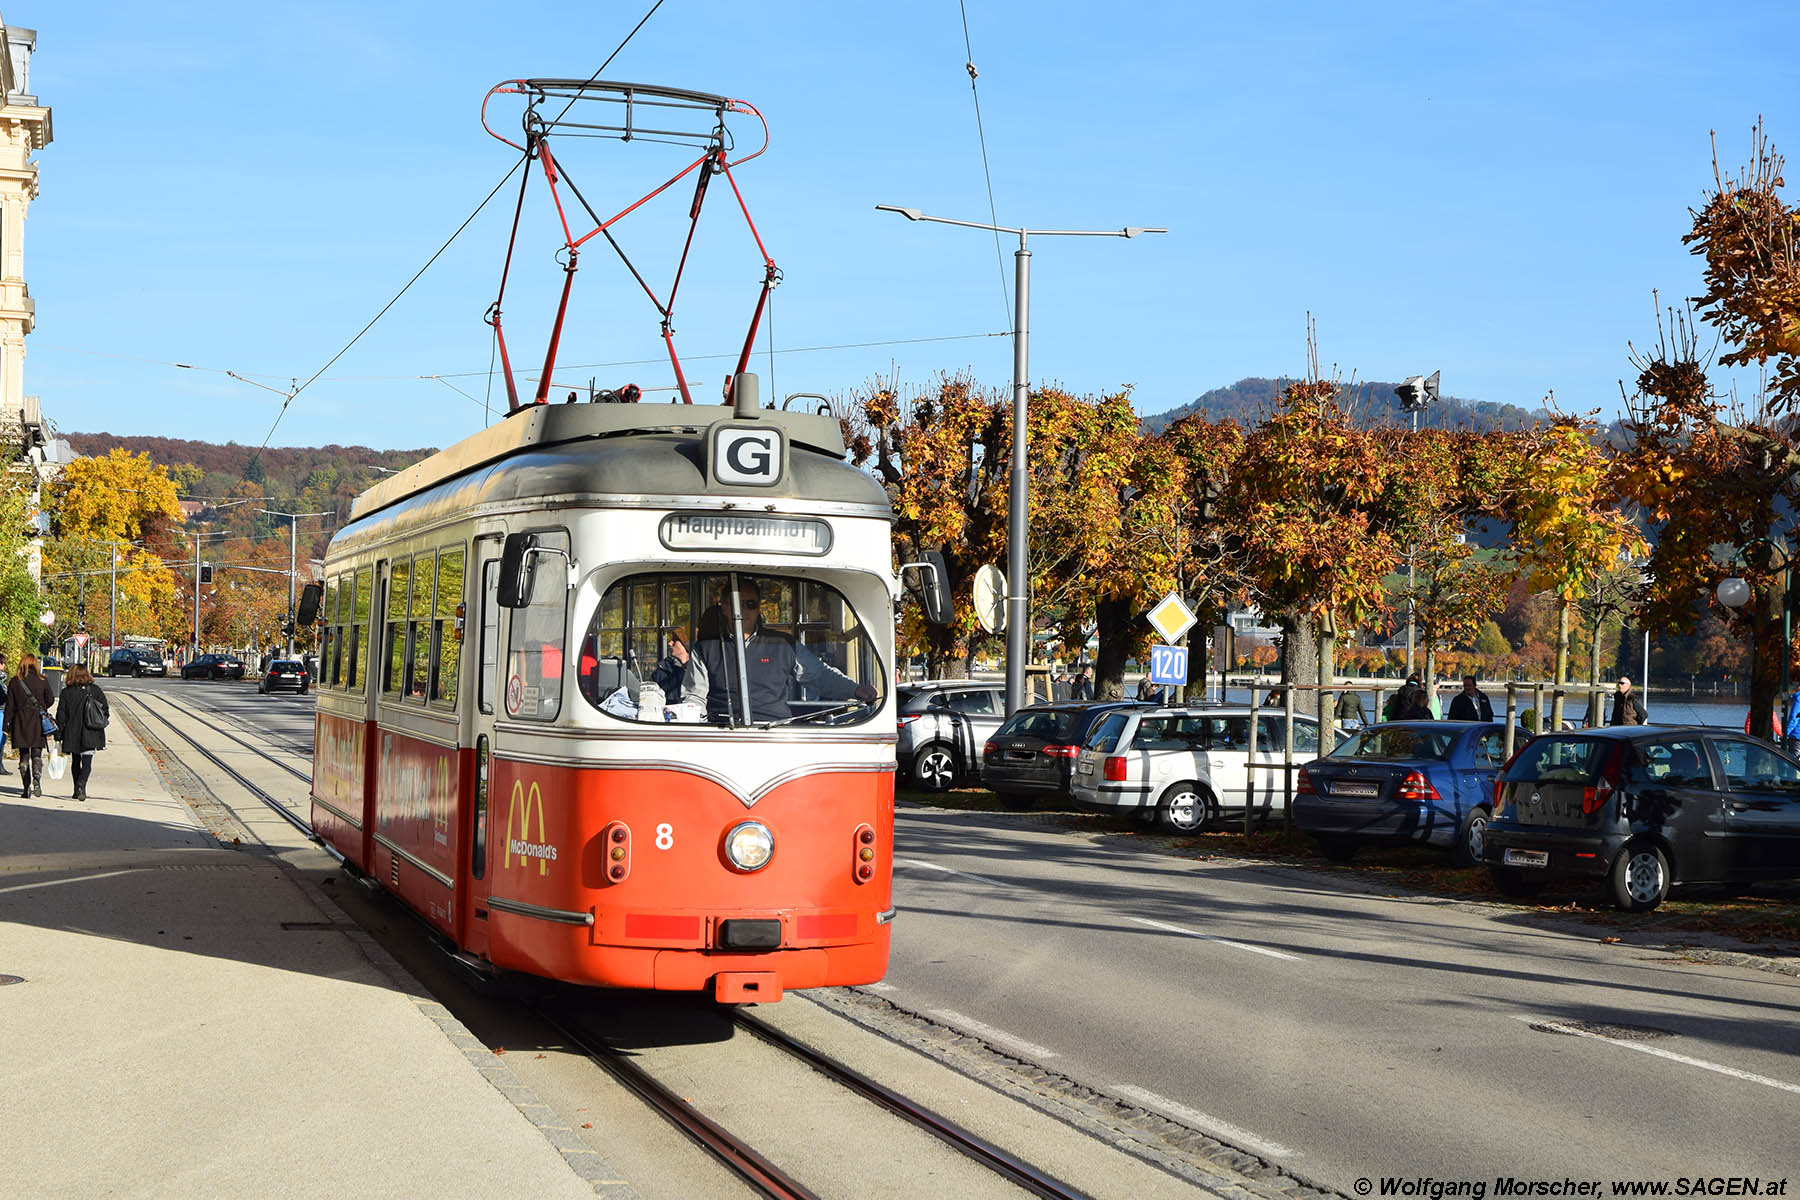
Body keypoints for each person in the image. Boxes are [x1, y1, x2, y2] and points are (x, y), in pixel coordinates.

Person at [684, 578, 876, 723]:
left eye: (750, 604)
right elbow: (695, 696)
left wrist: (856, 690)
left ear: (759, 608)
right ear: (724, 607)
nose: (742, 611)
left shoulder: (783, 644)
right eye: (736, 603)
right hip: (722, 731)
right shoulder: (705, 649)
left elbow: (819, 677)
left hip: (776, 730)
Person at [55, 663, 108, 802]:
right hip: (90, 732)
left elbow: (61, 715)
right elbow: (105, 711)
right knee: (87, 762)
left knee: (75, 761)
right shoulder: (95, 690)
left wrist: (59, 733)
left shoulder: (66, 692)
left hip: (72, 733)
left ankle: (76, 789)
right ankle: (82, 785)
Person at [5, 653, 54, 797]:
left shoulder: (15, 681)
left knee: (24, 754)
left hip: (20, 721)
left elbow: (10, 706)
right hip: (37, 721)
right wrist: (42, 707)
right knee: (37, 752)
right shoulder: (42, 680)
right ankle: (37, 779)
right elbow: (50, 698)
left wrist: (6, 726)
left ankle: (26, 787)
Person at [649, 631, 694, 701]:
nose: (669, 643)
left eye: (675, 641)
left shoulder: (698, 671)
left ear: (685, 645)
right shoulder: (662, 671)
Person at [0, 651, 10, 775]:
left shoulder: (2, 680)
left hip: (3, 711)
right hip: (1, 711)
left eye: (3, 663)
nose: (3, 666)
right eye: (1, 663)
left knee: (2, 739)